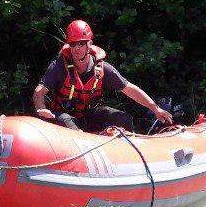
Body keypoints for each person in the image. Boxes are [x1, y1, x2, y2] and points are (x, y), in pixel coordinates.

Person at [31, 19, 173, 133]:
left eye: (81, 43)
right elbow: (39, 92)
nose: (76, 48)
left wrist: (155, 108)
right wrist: (40, 109)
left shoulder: (103, 68)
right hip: (64, 115)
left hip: (90, 115)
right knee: (67, 122)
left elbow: (129, 88)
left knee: (123, 118)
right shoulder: (59, 66)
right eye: (73, 44)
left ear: (89, 44)